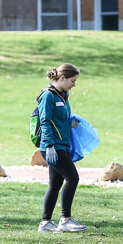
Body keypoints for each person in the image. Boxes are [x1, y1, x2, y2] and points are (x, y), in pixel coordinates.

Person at [36, 63, 87, 233]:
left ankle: (45, 223)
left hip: (61, 145)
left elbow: (57, 120)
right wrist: (49, 145)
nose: (74, 84)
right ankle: (65, 219)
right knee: (73, 178)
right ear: (62, 78)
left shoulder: (63, 96)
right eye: (72, 81)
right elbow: (45, 121)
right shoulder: (48, 96)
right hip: (53, 146)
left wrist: (70, 123)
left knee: (55, 185)